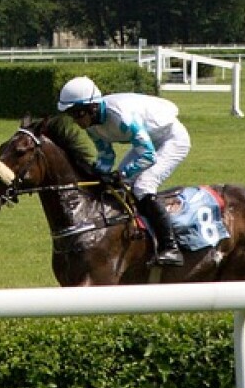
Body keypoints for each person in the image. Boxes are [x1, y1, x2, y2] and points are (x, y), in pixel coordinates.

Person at [56, 75, 191, 267]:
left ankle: (170, 247)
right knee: (120, 187)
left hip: (171, 139)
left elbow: (148, 156)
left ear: (92, 107)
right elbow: (106, 156)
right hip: (147, 144)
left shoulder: (121, 117)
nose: (76, 120)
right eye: (72, 115)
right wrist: (97, 176)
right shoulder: (92, 125)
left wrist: (122, 174)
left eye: (78, 113)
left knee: (144, 186)